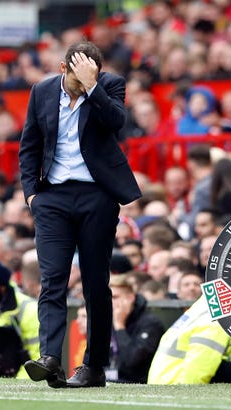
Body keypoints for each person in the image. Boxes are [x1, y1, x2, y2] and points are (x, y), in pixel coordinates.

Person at [19, 41, 141, 389]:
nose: (82, 84)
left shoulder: (109, 85)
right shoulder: (42, 91)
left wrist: (92, 86)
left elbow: (117, 122)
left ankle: (94, 366)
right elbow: (29, 144)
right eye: (77, 79)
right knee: (53, 278)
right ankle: (50, 358)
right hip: (52, 197)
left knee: (95, 284)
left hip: (97, 196)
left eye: (91, 77)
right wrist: (31, 195)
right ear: (63, 68)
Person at [147, 296, 231, 385]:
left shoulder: (206, 304)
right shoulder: (218, 321)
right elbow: (199, 368)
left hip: (164, 377)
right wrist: (186, 397)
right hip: (175, 382)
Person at [108, 274, 164, 383]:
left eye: (115, 297)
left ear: (130, 298)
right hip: (113, 380)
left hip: (140, 382)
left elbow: (132, 360)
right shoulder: (108, 319)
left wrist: (119, 326)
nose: (110, 302)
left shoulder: (150, 323)